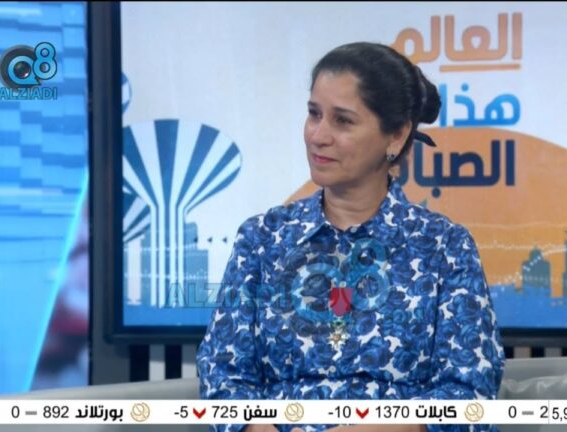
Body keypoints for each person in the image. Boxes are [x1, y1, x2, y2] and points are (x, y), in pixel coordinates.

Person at [197, 42, 505, 432]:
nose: (318, 135)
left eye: (342, 121)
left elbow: (469, 394)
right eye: (314, 114)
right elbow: (222, 374)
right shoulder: (262, 239)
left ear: (396, 136)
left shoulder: (445, 247)